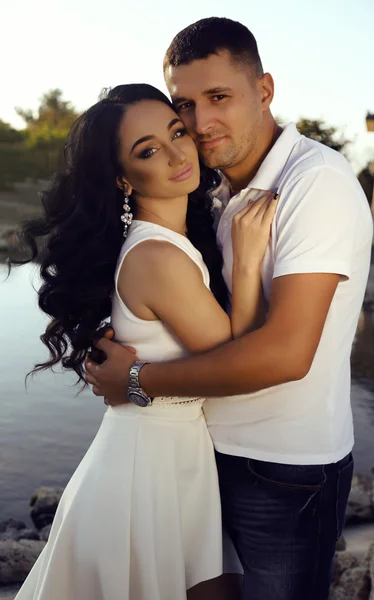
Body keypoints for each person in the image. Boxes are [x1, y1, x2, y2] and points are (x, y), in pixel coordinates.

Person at [85, 17, 374, 600]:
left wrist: (137, 379)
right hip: (205, 457)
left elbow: (287, 355)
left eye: (219, 97)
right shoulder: (211, 190)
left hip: (283, 470)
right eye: (184, 104)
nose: (199, 123)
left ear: (264, 91)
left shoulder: (315, 183)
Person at [10, 83, 278, 600]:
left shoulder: (169, 245)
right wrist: (247, 263)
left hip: (169, 453)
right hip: (147, 468)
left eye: (177, 131)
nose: (179, 152)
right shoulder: (158, 258)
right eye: (148, 150)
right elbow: (237, 361)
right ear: (122, 179)